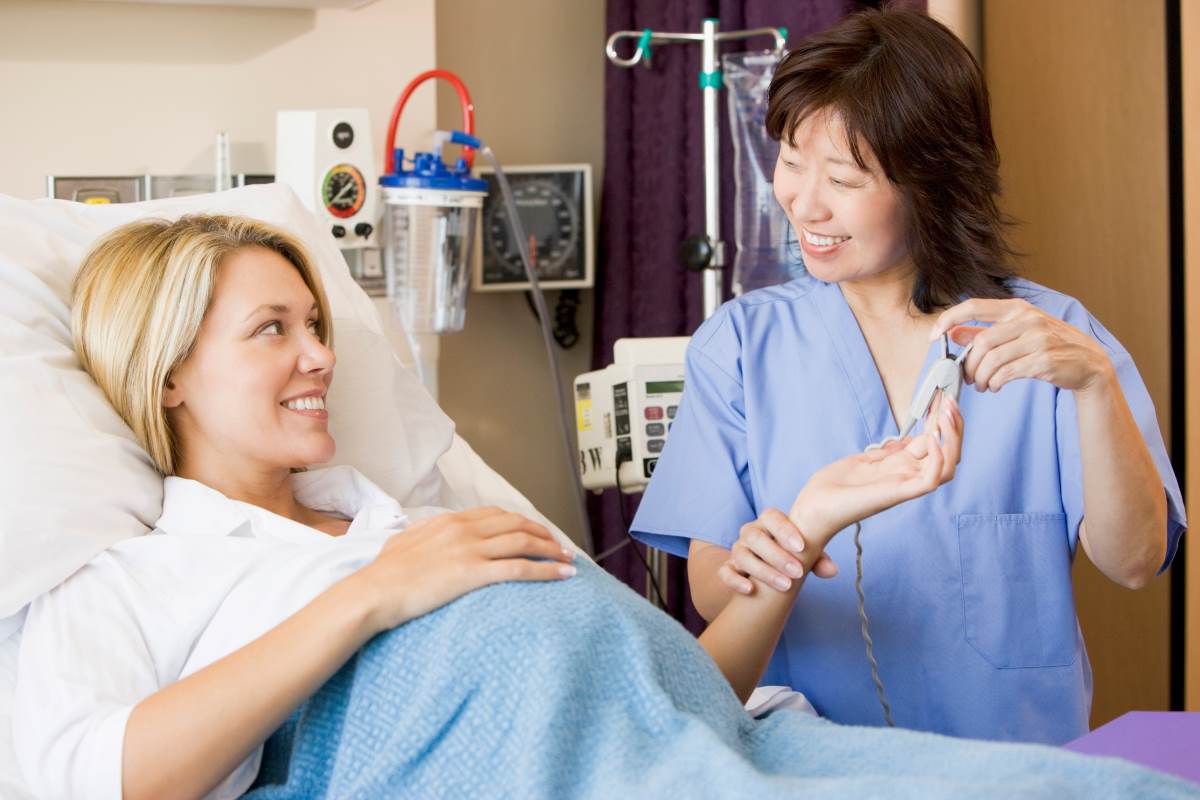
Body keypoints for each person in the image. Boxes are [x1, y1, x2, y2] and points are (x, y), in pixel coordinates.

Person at [12, 214, 964, 800]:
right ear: (170, 373)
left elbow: (677, 696)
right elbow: (100, 779)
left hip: (725, 757)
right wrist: (371, 597)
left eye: (316, 324)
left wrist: (802, 528)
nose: (320, 356)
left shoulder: (422, 525)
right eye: (273, 330)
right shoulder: (134, 579)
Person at [631, 7, 1185, 745]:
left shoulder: (1051, 342)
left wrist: (1095, 387)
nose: (803, 201)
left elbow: (1137, 561)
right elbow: (711, 592)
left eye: (844, 177)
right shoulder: (738, 346)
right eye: (792, 161)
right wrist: (778, 548)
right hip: (815, 767)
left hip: (1012, 772)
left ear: (932, 181)